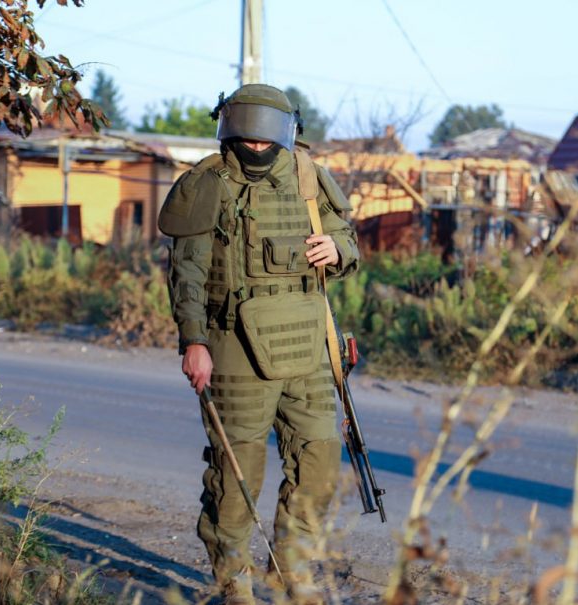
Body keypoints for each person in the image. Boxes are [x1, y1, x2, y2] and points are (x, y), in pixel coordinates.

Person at [158, 84, 359, 605]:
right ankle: (235, 582)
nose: (255, 141)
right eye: (245, 128)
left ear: (286, 130)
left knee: (319, 458)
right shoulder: (208, 183)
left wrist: (334, 248)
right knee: (235, 474)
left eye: (265, 129)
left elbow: (350, 244)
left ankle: (292, 569)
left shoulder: (309, 177)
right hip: (233, 346)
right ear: (229, 127)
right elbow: (188, 274)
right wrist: (194, 341)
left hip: (307, 342)